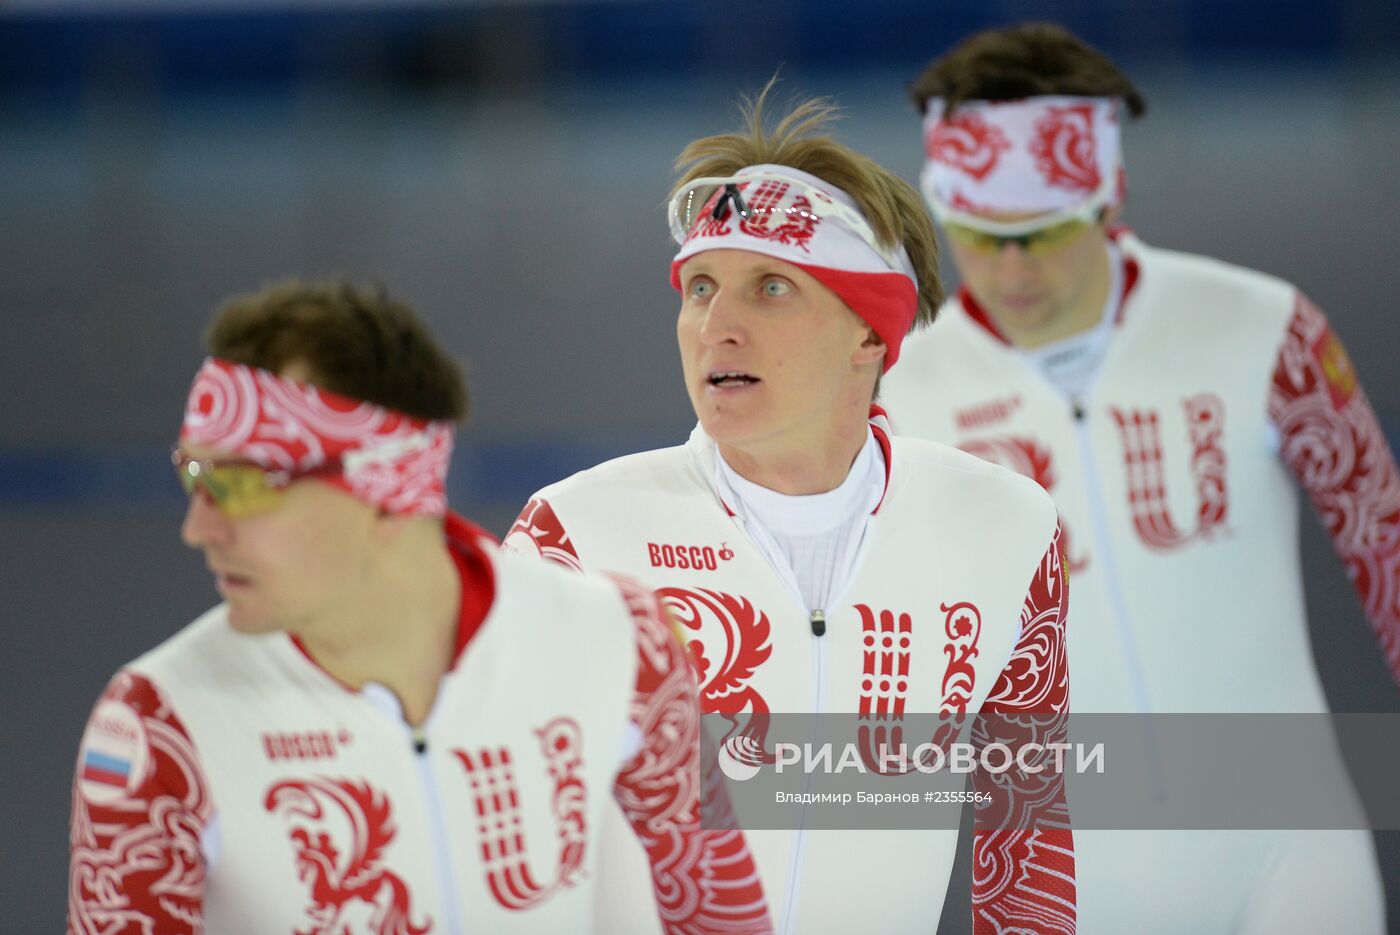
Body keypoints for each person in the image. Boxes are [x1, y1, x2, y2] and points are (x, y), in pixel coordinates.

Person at [504, 88, 1077, 934]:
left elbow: (1025, 845)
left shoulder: (1008, 530)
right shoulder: (574, 538)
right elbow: (497, 851)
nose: (716, 325)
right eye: (699, 287)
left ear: (872, 335)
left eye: (770, 287)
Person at [882, 21, 1398, 933]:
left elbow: (1386, 552)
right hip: (1063, 884)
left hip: (1290, 854)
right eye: (975, 232)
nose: (1009, 266)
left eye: (1039, 233)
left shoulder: (1266, 330)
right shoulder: (896, 396)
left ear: (1106, 198)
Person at [67, 280, 771, 934]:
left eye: (243, 485)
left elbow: (721, 914)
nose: (199, 526)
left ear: (383, 488)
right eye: (194, 474)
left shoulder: (620, 641)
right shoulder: (158, 722)